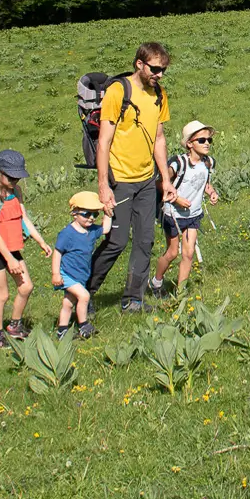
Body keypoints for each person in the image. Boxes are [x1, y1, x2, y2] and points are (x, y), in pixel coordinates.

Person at [88, 42, 173, 313]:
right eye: (155, 69)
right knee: (117, 241)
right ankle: (84, 293)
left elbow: (159, 138)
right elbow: (104, 142)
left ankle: (133, 299)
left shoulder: (159, 94)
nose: (159, 74)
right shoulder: (118, 91)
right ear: (139, 64)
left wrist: (166, 180)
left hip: (147, 180)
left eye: (163, 70)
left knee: (145, 240)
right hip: (120, 179)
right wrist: (103, 185)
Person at [0, 149, 46, 347]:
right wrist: (9, 259)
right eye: (12, 177)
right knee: (2, 295)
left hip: (13, 248)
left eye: (18, 177)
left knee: (26, 287)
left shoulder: (16, 192)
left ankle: (15, 326)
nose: (15, 181)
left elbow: (24, 218)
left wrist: (40, 240)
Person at [150, 120, 218, 299]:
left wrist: (211, 192)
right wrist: (177, 199)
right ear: (189, 144)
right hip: (173, 214)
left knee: (188, 254)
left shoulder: (209, 163)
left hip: (193, 215)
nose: (207, 144)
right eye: (202, 140)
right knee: (173, 252)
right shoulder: (178, 164)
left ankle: (180, 294)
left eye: (209, 140)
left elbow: (204, 183)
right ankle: (156, 281)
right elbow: (161, 184)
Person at [53, 191, 108, 339]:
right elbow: (57, 253)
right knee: (84, 296)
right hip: (67, 274)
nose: (91, 218)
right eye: (86, 214)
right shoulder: (67, 234)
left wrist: (107, 211)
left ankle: (62, 330)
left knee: (69, 303)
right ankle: (83, 326)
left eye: (94, 214)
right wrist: (56, 274)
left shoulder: (91, 231)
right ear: (74, 213)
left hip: (81, 275)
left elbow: (106, 229)